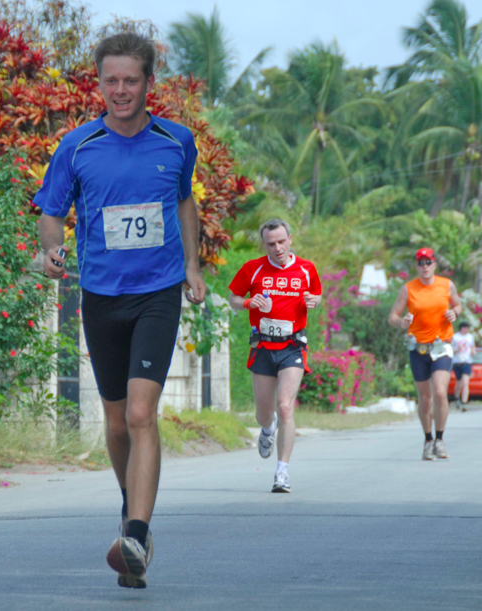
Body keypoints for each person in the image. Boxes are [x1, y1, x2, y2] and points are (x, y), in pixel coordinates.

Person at [35, 32, 206, 590]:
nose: (121, 90)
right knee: (113, 424)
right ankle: (132, 512)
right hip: (102, 297)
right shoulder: (77, 147)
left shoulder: (176, 141)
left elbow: (184, 201)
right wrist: (53, 249)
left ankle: (136, 533)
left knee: (139, 414)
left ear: (149, 83)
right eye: (111, 80)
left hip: (157, 293)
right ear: (99, 83)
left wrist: (193, 266)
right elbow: (52, 211)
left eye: (131, 79)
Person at [228, 219, 322, 493]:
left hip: (292, 345)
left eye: (282, 241)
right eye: (271, 244)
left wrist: (314, 301)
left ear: (290, 239)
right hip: (263, 346)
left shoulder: (306, 268)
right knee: (264, 413)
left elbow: (316, 294)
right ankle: (267, 430)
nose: (278, 248)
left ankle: (282, 472)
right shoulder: (253, 268)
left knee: (285, 407)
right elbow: (233, 297)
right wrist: (247, 302)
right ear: (264, 244)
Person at [387, 247, 462, 461]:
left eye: (428, 262)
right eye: (421, 263)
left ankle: (440, 439)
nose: (425, 266)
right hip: (418, 348)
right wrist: (400, 322)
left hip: (442, 346)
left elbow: (458, 304)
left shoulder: (446, 285)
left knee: (440, 392)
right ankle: (428, 440)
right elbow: (392, 315)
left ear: (435, 264)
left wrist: (454, 312)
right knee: (426, 398)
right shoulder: (409, 289)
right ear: (416, 266)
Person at [452, 322, 477, 409]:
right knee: (459, 383)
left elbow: (472, 347)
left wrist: (474, 352)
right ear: (462, 328)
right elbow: (451, 350)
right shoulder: (455, 337)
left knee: (465, 382)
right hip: (457, 362)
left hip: (467, 361)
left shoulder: (470, 337)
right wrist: (458, 349)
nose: (468, 330)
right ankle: (457, 397)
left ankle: (464, 402)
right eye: (466, 328)